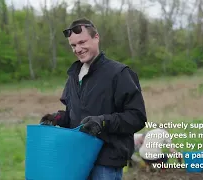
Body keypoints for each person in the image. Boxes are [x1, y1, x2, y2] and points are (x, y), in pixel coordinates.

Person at [39, 18, 147, 180]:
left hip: (106, 162)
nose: (78, 49)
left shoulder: (119, 73)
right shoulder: (73, 76)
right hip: (77, 160)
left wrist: (102, 121)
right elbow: (75, 116)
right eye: (73, 45)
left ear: (96, 37)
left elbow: (137, 117)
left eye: (82, 42)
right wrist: (58, 118)